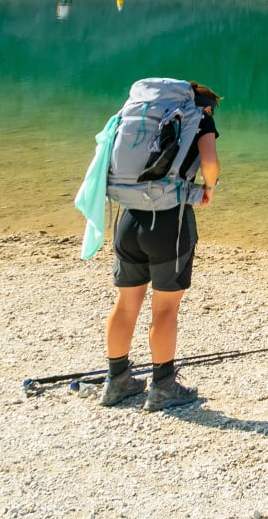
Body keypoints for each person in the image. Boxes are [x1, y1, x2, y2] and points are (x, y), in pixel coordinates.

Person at [98, 81, 221, 411]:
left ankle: (117, 381)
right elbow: (209, 164)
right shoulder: (201, 116)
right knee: (165, 308)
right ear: (205, 104)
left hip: (129, 220)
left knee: (125, 304)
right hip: (169, 223)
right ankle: (163, 386)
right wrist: (209, 188)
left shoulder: (141, 116)